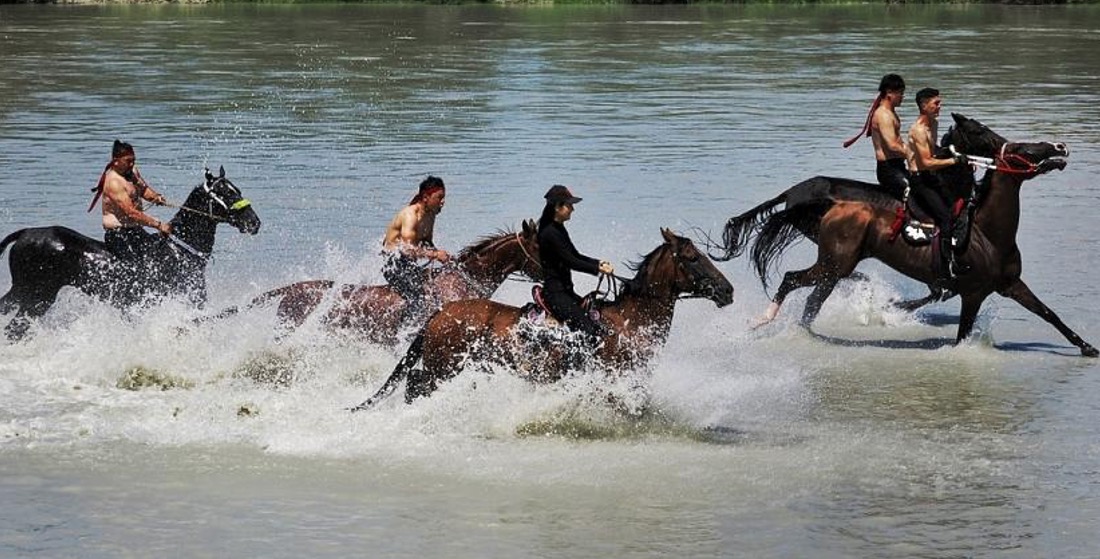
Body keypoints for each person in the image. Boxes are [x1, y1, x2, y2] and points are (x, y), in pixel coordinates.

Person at [536, 184, 615, 348]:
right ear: (557, 207)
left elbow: (575, 255)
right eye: (569, 205)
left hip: (566, 292)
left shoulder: (558, 229)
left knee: (596, 322)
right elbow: (570, 261)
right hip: (556, 294)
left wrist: (598, 263)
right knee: (588, 330)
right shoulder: (549, 233)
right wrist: (597, 269)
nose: (573, 209)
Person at [907, 87, 969, 278]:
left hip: (931, 176)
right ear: (924, 106)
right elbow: (926, 162)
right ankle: (946, 266)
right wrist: (955, 161)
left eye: (940, 102)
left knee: (961, 205)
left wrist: (959, 157)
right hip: (920, 180)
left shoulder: (933, 123)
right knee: (945, 217)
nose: (940, 106)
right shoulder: (918, 130)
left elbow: (933, 149)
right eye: (936, 103)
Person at [89, 140, 171, 264]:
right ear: (116, 161)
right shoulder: (114, 183)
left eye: (133, 160)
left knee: (158, 253)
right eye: (128, 161)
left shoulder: (132, 171)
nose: (132, 164)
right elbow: (131, 213)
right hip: (118, 234)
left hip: (135, 230)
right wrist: (159, 225)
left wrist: (156, 197)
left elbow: (143, 190)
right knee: (136, 267)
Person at [381, 175, 451, 317]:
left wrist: (446, 259)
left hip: (408, 264)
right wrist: (435, 255)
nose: (443, 202)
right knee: (419, 297)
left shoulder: (430, 214)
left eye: (443, 197)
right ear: (425, 197)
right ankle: (407, 328)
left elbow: (426, 243)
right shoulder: (410, 215)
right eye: (439, 197)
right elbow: (407, 250)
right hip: (393, 263)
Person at [844, 74, 911, 200]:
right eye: (900, 93)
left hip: (898, 166)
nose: (903, 97)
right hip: (889, 170)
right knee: (911, 191)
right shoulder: (883, 115)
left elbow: (899, 142)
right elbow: (892, 146)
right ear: (889, 92)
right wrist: (914, 154)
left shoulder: (891, 113)